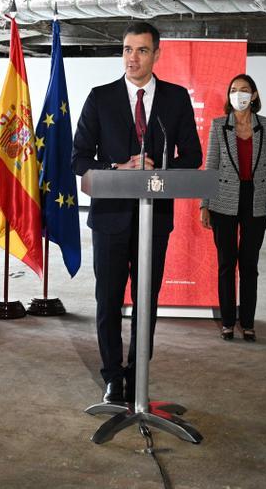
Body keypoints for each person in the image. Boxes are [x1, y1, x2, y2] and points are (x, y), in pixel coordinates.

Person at [72, 22, 202, 404]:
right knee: (108, 300)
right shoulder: (101, 97)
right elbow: (78, 157)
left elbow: (192, 155)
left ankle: (137, 373)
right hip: (110, 217)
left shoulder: (175, 100)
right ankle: (113, 377)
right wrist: (117, 169)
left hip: (154, 219)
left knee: (147, 300)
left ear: (156, 55)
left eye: (142, 50)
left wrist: (158, 172)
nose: (133, 57)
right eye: (127, 49)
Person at [199, 74, 266, 342]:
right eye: (233, 90)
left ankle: (248, 322)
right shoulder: (219, 126)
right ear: (229, 96)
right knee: (226, 263)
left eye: (244, 90)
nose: (238, 94)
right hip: (223, 200)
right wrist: (204, 204)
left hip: (256, 199)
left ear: (253, 95)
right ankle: (228, 321)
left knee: (249, 264)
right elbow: (211, 166)